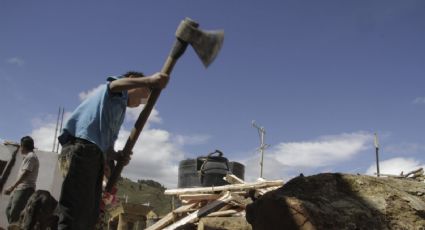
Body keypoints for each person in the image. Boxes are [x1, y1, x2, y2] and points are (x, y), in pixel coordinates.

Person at [57, 71, 168, 229]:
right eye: (145, 94)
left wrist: (117, 155)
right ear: (132, 81)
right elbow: (114, 85)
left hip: (94, 154)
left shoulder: (119, 111)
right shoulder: (116, 92)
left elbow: (107, 148)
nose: (143, 102)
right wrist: (150, 80)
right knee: (75, 210)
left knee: (89, 213)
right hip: (81, 147)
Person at [4, 136, 39, 224]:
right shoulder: (28, 157)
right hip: (20, 188)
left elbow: (25, 174)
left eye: (21, 145)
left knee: (14, 214)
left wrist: (12, 187)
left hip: (25, 189)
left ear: (24, 146)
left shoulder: (31, 157)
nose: (20, 148)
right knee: (8, 210)